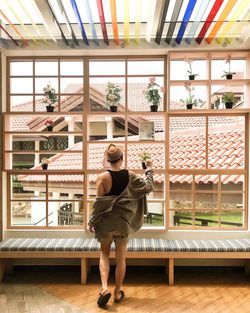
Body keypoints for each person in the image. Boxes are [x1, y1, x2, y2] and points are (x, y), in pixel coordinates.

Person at [88, 143, 154, 307]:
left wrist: (92, 221)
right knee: (121, 258)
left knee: (104, 255)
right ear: (122, 159)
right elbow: (149, 187)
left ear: (107, 160)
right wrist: (149, 170)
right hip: (123, 224)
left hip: (105, 223)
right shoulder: (130, 176)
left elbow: (99, 205)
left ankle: (104, 289)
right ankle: (117, 292)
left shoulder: (101, 178)